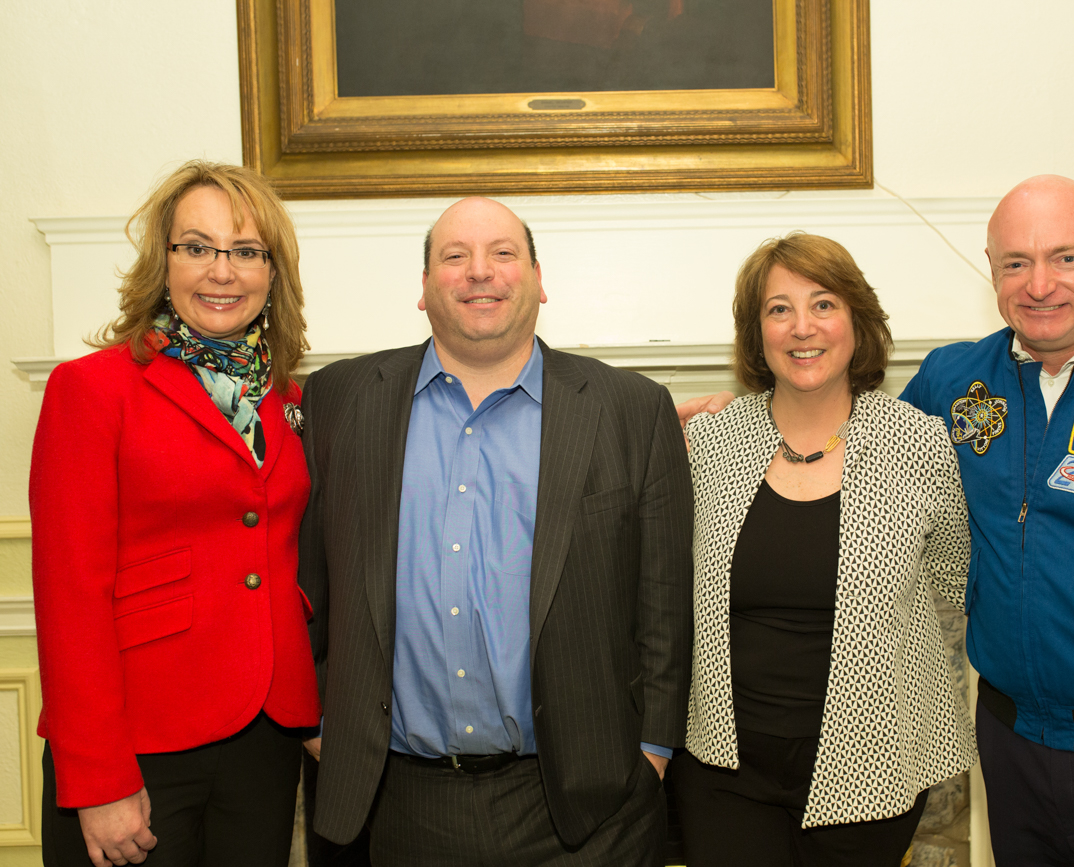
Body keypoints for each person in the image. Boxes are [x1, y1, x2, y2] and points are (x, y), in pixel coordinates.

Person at [681, 176, 1074, 866]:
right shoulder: (955, 383)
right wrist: (710, 432)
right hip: (1016, 754)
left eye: (1066, 257)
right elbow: (862, 445)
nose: (1039, 285)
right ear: (992, 266)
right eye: (1015, 263)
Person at [298, 196, 693, 866]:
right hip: (393, 800)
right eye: (455, 256)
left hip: (586, 808)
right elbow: (307, 577)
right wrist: (318, 723)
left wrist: (650, 752)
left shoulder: (631, 409)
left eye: (502, 253)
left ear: (539, 279)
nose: (480, 272)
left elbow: (664, 602)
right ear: (424, 289)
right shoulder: (340, 398)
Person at [30, 160, 321, 867]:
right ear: (162, 261)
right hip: (139, 742)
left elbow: (292, 561)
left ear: (272, 273)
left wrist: (317, 707)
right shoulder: (91, 390)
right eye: (197, 246)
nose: (222, 271)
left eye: (246, 251)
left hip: (265, 738)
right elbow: (70, 597)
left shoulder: (291, 400)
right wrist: (97, 777)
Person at [675, 232, 974, 867]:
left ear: (858, 323)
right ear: (756, 334)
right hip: (724, 773)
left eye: (824, 304)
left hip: (874, 773)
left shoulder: (919, 444)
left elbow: (953, 591)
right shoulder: (710, 443)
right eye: (778, 308)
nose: (801, 327)